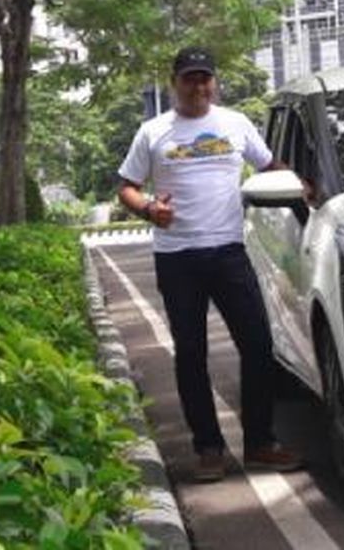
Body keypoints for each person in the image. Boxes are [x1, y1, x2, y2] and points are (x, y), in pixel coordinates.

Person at [117, 46, 304, 482]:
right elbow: (126, 186)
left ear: (214, 82)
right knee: (191, 355)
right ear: (174, 83)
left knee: (258, 345)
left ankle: (260, 443)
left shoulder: (236, 124)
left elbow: (270, 166)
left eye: (205, 78)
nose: (198, 86)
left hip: (228, 251)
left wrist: (302, 187)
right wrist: (147, 208)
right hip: (177, 257)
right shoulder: (153, 132)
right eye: (189, 79)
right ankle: (208, 449)